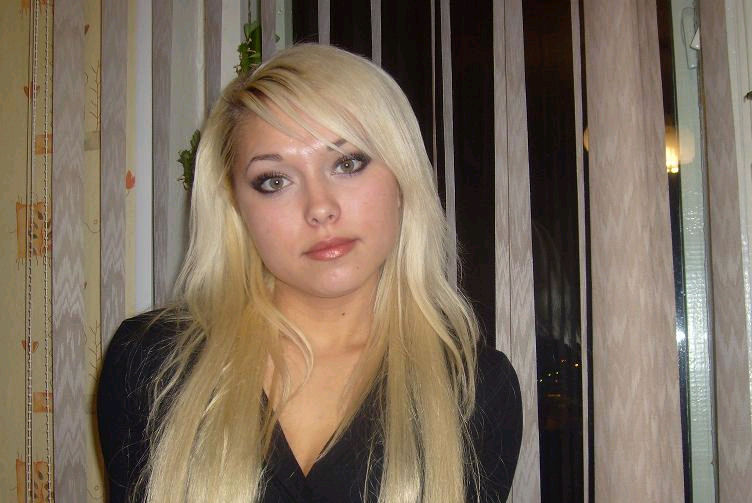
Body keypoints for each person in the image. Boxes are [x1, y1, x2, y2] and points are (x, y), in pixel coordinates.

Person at [98, 44, 522, 503]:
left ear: (402, 179)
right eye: (274, 181)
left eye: (347, 163)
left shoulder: (475, 393)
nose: (320, 208)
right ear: (236, 208)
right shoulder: (151, 365)